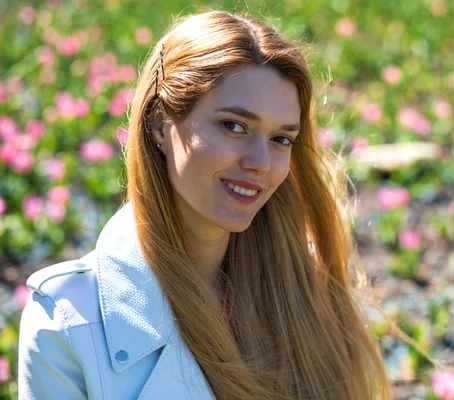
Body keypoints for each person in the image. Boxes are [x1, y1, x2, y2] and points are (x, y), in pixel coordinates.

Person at [18, 9, 394, 400]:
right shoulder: (67, 323)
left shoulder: (309, 294)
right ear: (160, 124)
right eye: (234, 126)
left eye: (280, 139)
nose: (260, 164)